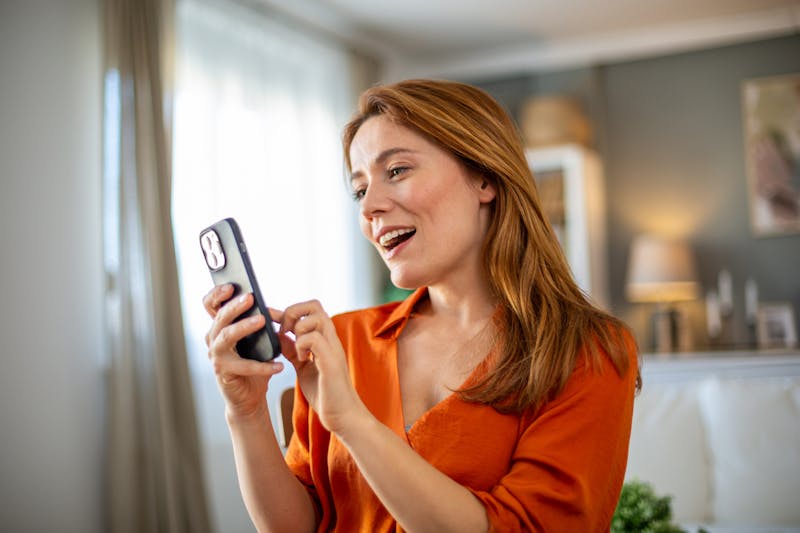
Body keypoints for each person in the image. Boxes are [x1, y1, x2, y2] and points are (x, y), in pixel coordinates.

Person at [203, 79, 640, 532]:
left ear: (484, 178)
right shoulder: (342, 341)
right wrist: (246, 412)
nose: (370, 207)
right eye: (358, 190)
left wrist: (352, 421)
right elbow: (300, 525)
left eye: (397, 171)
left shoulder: (587, 350)